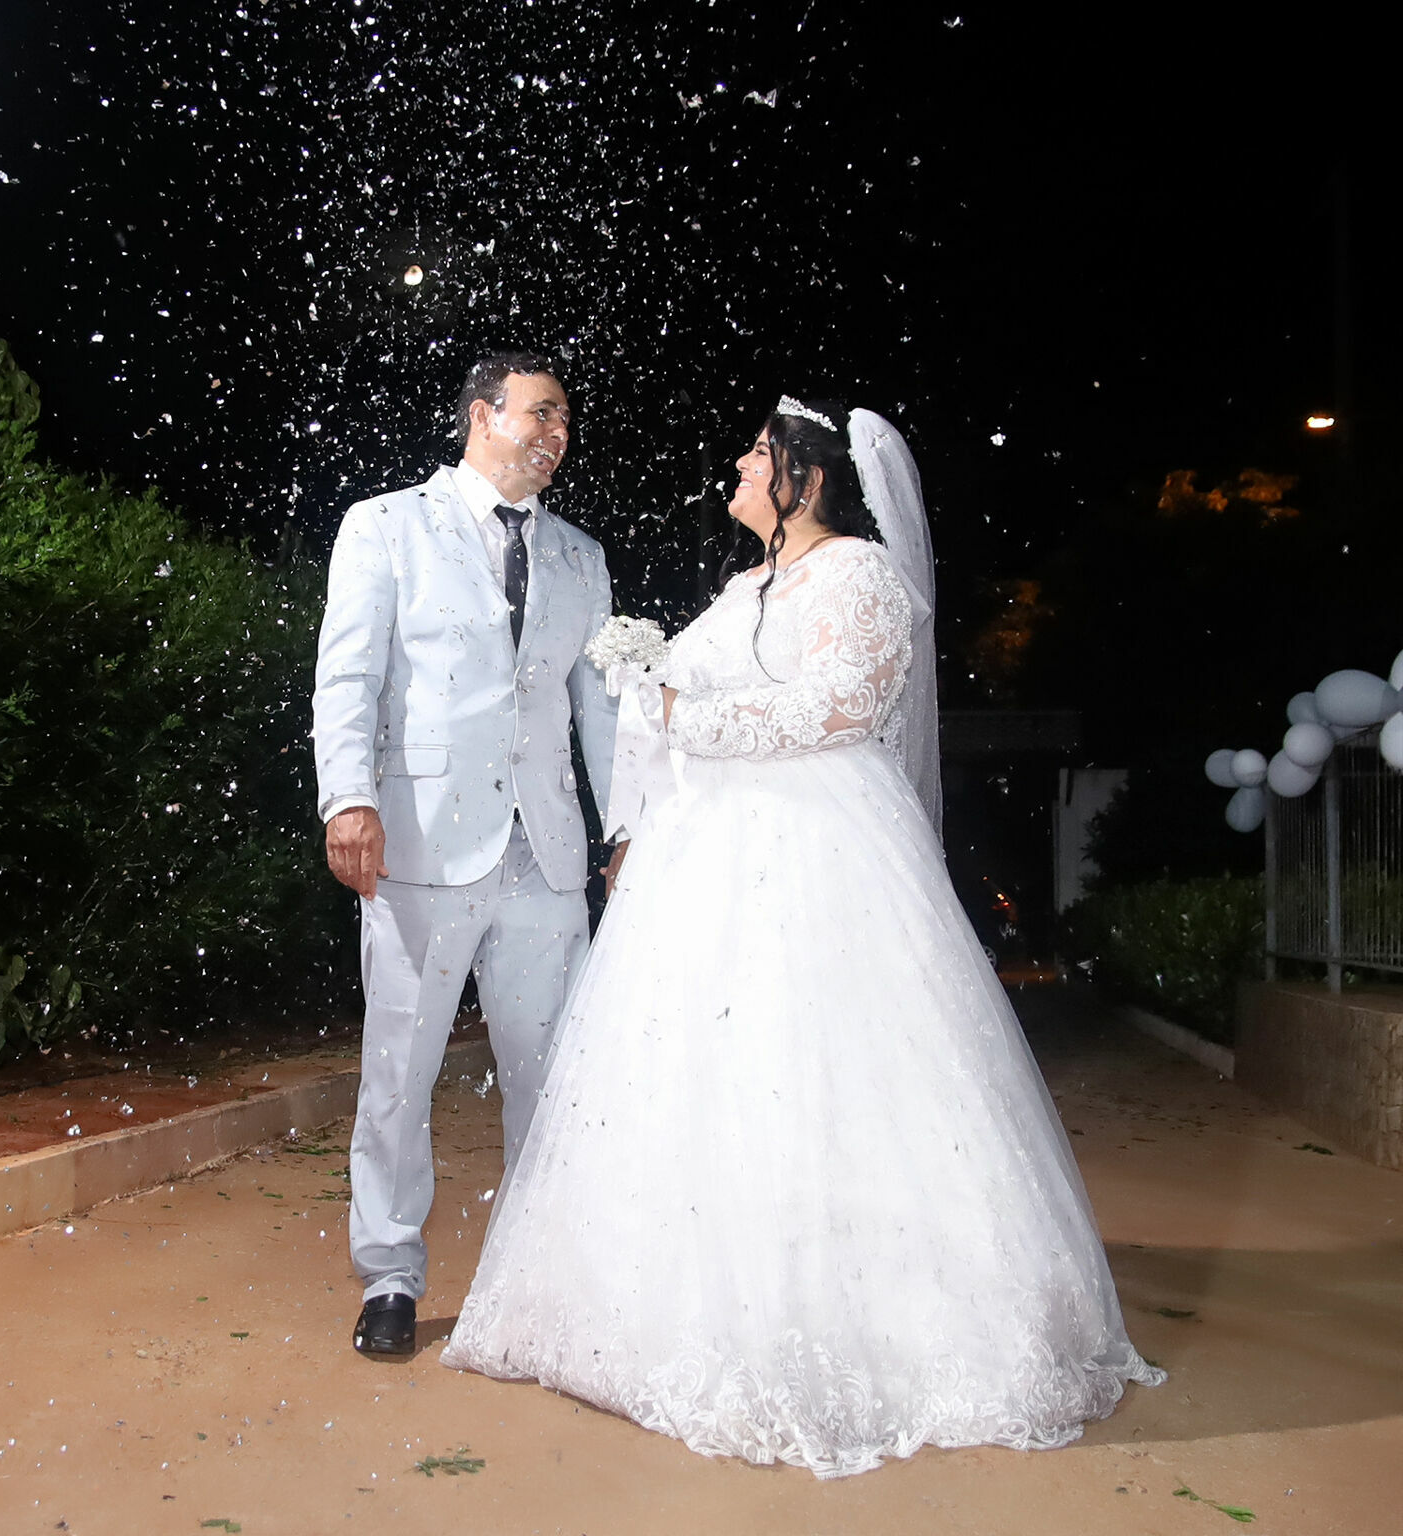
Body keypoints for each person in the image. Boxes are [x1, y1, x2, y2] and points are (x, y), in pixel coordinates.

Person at [440, 397, 1163, 1475]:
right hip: (711, 854)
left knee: (831, 1064)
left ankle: (871, 1312)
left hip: (827, 848)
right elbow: (682, 684)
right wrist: (647, 694)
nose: (737, 465)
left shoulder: (863, 577)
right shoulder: (746, 586)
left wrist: (690, 717)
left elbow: (841, 708)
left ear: (806, 482)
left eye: (756, 456)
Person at [312, 352, 620, 1359]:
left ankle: (535, 1276)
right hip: (422, 843)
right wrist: (349, 797)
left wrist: (624, 830)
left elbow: (599, 712)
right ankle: (391, 1274)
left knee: (550, 1076)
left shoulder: (580, 555)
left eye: (565, 418)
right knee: (400, 1072)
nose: (556, 432)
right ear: (483, 416)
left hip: (549, 854)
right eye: (541, 413)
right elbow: (349, 674)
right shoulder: (387, 524)